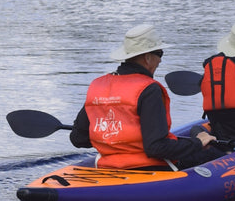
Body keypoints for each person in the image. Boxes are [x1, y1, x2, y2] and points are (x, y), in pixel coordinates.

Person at [70, 24, 223, 170]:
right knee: (217, 154)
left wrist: (113, 139)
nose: (161, 60)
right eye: (160, 54)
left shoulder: (98, 86)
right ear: (147, 57)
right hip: (149, 168)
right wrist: (198, 143)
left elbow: (78, 138)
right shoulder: (149, 89)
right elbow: (157, 148)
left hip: (107, 165)